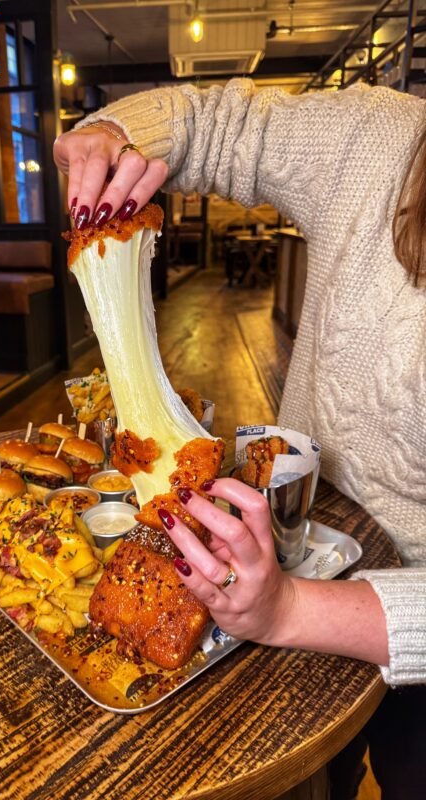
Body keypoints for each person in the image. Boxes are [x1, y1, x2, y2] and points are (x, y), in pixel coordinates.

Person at [53, 79, 426, 798]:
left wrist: (290, 610)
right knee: (320, 773)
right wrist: (113, 137)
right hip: (289, 535)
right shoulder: (382, 138)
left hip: (373, 620)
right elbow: (216, 122)